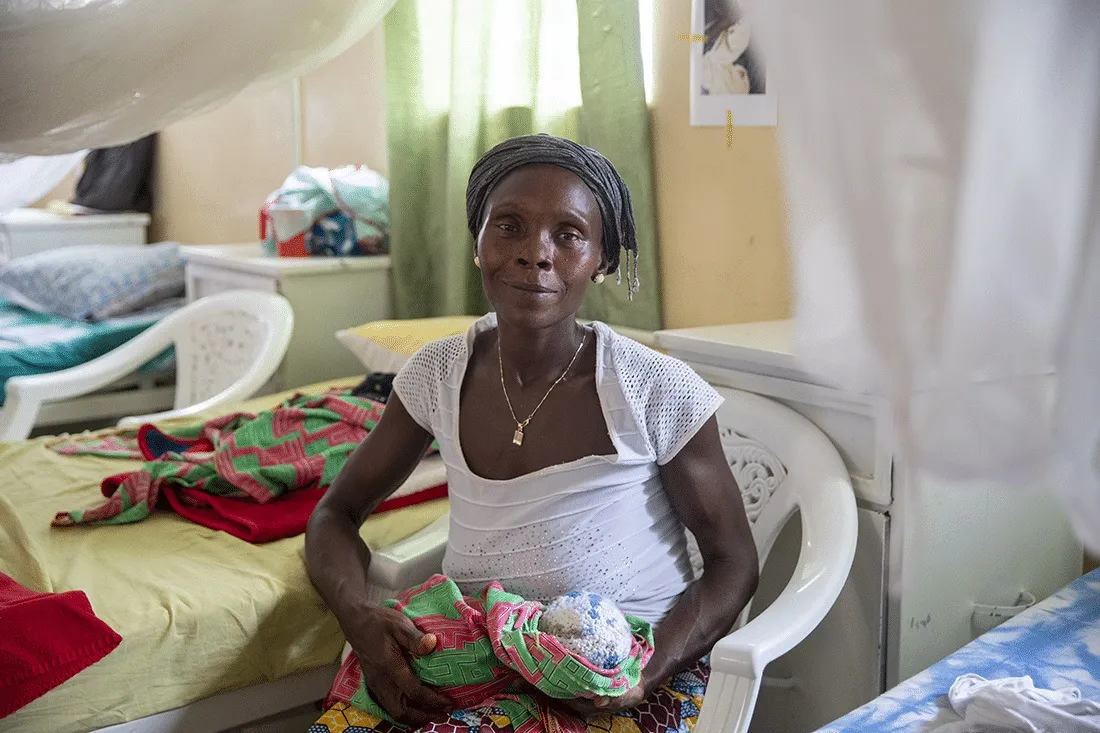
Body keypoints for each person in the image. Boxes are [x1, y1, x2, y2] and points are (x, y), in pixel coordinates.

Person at [305, 133, 759, 732]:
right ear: (479, 244)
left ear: (602, 259)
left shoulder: (654, 389)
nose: (535, 254)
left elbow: (734, 563)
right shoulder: (437, 374)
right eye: (509, 226)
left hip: (616, 676)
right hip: (478, 656)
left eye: (568, 235)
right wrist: (359, 616)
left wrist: (641, 674)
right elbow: (335, 514)